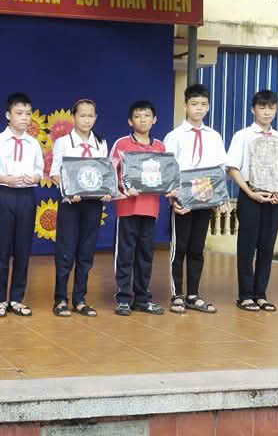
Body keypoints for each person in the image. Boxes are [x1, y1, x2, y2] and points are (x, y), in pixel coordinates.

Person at [226, 89, 278, 313]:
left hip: (274, 199)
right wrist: (249, 192)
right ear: (253, 110)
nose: (267, 112)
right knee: (247, 247)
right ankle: (245, 295)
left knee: (267, 247)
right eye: (262, 107)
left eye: (271, 108)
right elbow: (232, 168)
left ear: (276, 110)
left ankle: (261, 294)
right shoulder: (243, 136)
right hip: (251, 196)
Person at [163, 83, 228, 315]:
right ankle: (177, 295)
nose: (199, 108)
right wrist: (173, 199)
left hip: (205, 198)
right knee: (179, 247)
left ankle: (193, 294)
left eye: (203, 104)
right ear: (185, 106)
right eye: (194, 104)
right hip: (182, 199)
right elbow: (168, 170)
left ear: (208, 107)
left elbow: (220, 169)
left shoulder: (214, 136)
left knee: (197, 248)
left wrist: (221, 198)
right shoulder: (175, 136)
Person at [50, 98, 113, 318]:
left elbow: (104, 173)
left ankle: (80, 299)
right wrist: (69, 190)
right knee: (66, 252)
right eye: (82, 115)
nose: (87, 120)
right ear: (74, 117)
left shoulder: (101, 143)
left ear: (96, 118)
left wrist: (107, 190)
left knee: (86, 253)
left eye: (90, 116)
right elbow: (55, 173)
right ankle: (60, 299)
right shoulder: (63, 142)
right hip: (71, 204)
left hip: (93, 204)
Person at [0, 92, 43, 318]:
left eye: (28, 113)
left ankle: (17, 298)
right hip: (5, 195)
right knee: (2, 250)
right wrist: (5, 179)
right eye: (19, 113)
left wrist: (34, 178)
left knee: (23, 250)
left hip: (27, 197)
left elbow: (40, 171)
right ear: (8, 115)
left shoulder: (34, 143)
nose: (25, 118)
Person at [110, 100, 167, 317]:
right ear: (130, 121)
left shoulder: (160, 147)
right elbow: (109, 172)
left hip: (150, 208)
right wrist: (123, 188)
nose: (142, 120)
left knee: (145, 255)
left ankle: (142, 299)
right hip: (127, 207)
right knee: (125, 254)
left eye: (146, 116)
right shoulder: (122, 143)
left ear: (154, 120)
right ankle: (123, 299)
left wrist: (169, 187)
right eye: (137, 116)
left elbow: (165, 175)